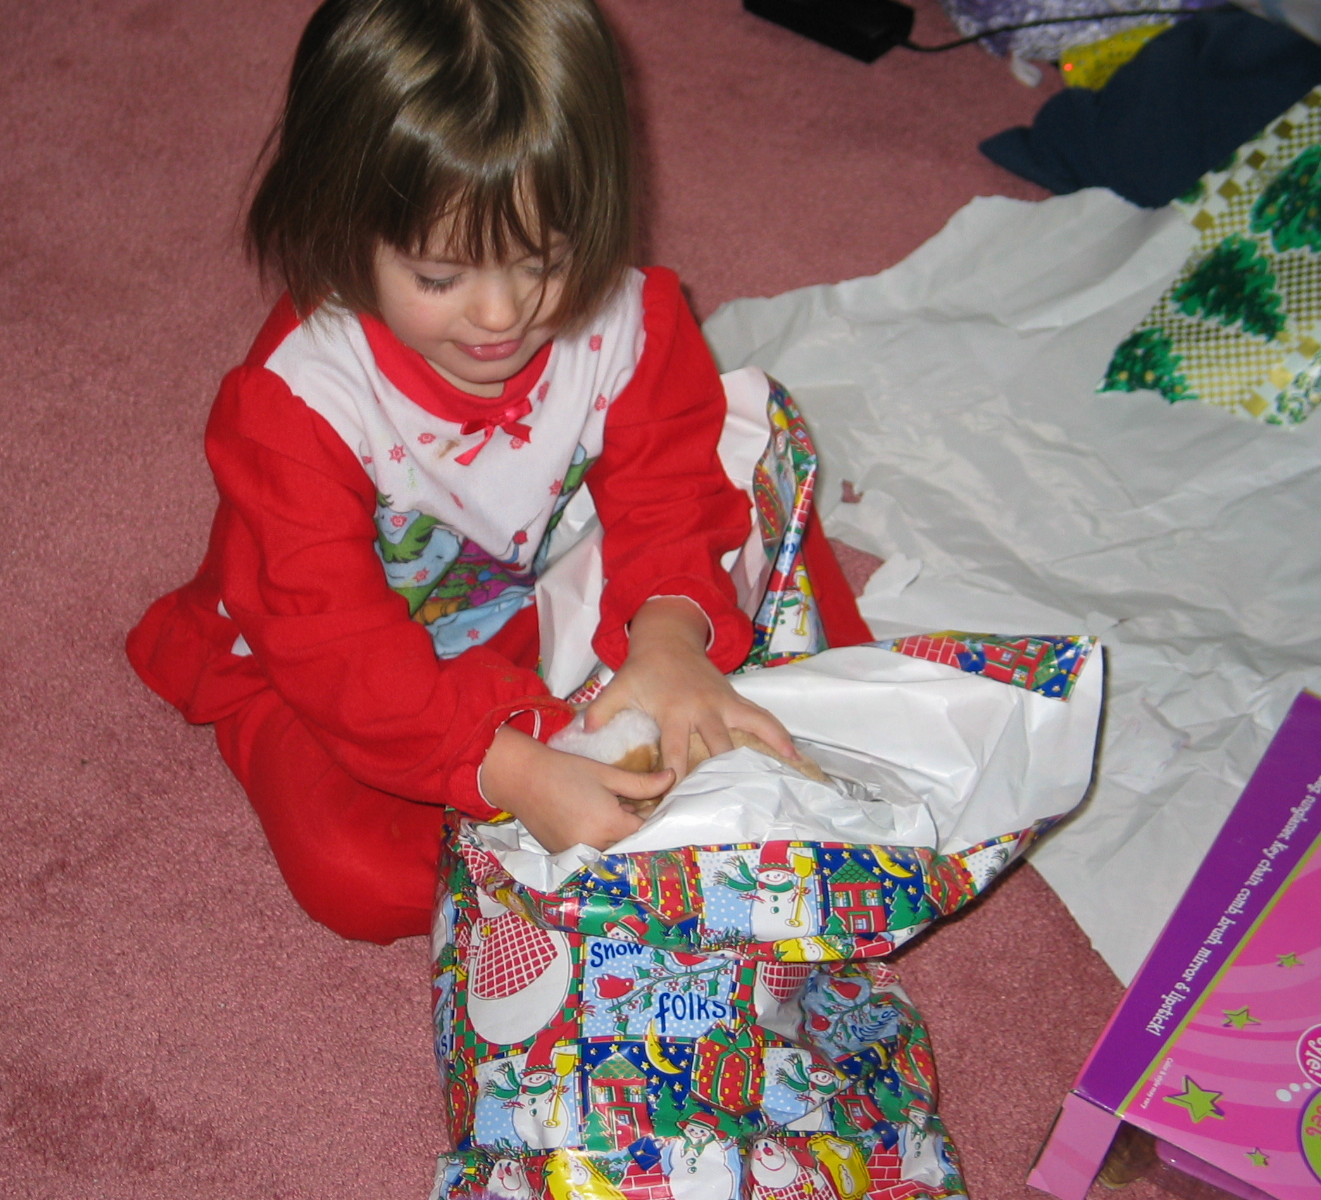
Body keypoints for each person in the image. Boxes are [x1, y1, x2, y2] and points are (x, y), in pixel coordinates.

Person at [127, 0, 860, 944]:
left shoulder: (630, 322)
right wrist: (512, 770)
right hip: (323, 664)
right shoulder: (298, 405)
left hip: (519, 617)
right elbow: (335, 651)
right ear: (336, 225)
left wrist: (671, 637)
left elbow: (671, 491)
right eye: (440, 277)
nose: (502, 315)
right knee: (359, 875)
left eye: (544, 260)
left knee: (761, 504)